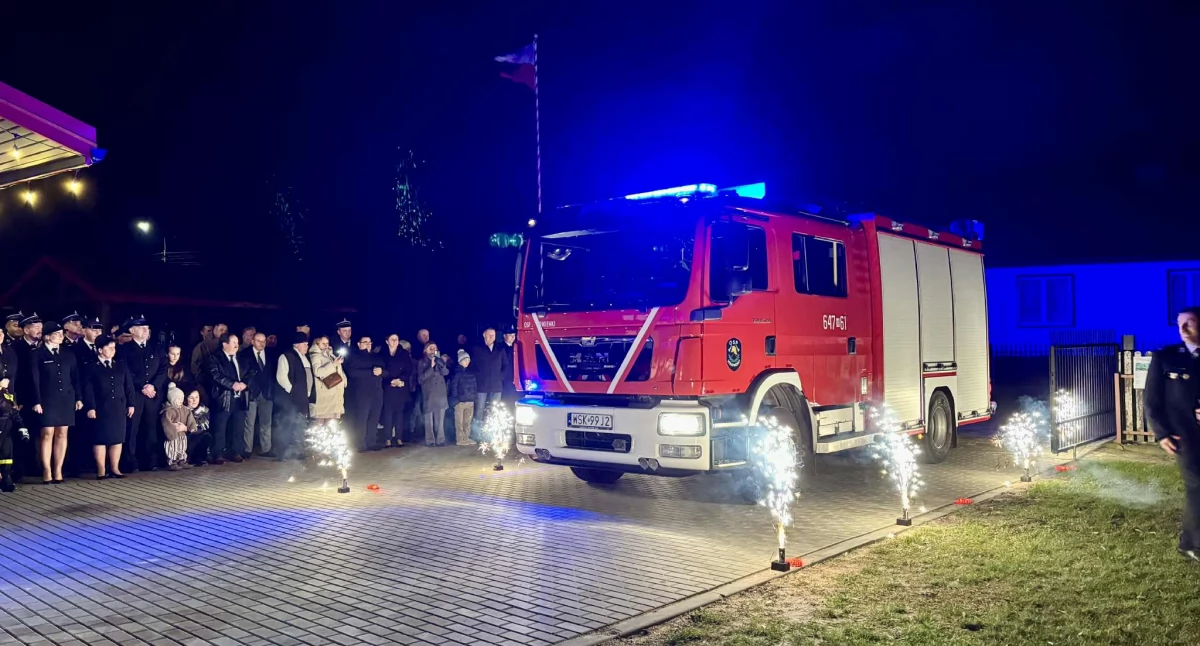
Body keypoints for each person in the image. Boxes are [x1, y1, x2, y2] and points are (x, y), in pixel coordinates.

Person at [1145, 305, 1200, 563]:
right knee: (1197, 485)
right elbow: (1151, 401)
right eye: (1179, 324)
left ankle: (1189, 541)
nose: (1183, 328)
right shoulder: (1166, 357)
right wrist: (1162, 434)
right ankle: (1193, 544)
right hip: (1183, 435)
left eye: (1189, 322)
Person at [28, 322, 83, 484]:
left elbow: (75, 378)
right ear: (47, 336)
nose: (60, 336)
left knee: (62, 433)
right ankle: (46, 469)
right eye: (56, 333)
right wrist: (36, 401)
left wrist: (78, 398)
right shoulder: (37, 354)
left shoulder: (68, 353)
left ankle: (58, 468)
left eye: (61, 333)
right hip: (47, 399)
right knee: (47, 434)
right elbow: (34, 380)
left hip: (65, 398)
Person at [117, 315, 167, 472]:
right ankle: (129, 462)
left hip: (152, 394)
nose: (146, 331)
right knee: (132, 428)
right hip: (135, 394)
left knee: (151, 428)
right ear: (132, 330)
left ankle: (150, 461)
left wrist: (153, 385)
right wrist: (141, 386)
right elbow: (126, 371)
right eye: (142, 328)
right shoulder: (124, 349)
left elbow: (163, 368)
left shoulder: (156, 347)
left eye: (147, 328)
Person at [82, 336, 135, 479]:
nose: (113, 350)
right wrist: (91, 407)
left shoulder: (121, 365)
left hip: (118, 406)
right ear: (100, 350)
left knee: (117, 438)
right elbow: (88, 389)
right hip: (101, 407)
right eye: (109, 348)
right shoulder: (91, 367)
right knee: (100, 438)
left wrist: (131, 404)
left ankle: (115, 468)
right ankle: (101, 470)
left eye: (114, 348)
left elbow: (128, 386)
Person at [205, 332, 254, 464]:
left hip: (240, 397)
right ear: (224, 344)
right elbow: (215, 375)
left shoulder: (241, 358)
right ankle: (218, 453)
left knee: (238, 426)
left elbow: (251, 371)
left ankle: (235, 451)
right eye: (233, 343)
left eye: (237, 343)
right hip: (223, 398)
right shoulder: (215, 358)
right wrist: (232, 385)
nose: (236, 345)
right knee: (220, 427)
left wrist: (245, 384)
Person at [274, 332, 315, 460]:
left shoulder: (304, 357)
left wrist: (307, 393)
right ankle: (283, 452)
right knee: (288, 423)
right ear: (297, 345)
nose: (307, 346)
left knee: (300, 424)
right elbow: (281, 377)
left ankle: (298, 451)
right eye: (305, 344)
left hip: (302, 397)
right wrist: (292, 390)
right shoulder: (286, 356)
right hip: (290, 398)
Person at [345, 335, 386, 451]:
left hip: (377, 392)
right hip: (362, 393)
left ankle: (371, 442)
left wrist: (381, 372)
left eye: (369, 342)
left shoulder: (376, 357)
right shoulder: (355, 357)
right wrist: (371, 372)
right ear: (359, 344)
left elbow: (386, 371)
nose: (368, 344)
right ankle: (360, 443)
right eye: (365, 342)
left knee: (374, 418)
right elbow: (352, 373)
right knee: (362, 418)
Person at [240, 333, 274, 458]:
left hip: (266, 393)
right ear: (252, 341)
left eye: (264, 340)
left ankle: (266, 448)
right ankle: (247, 449)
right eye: (259, 341)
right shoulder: (244, 355)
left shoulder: (270, 354)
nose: (262, 343)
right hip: (251, 392)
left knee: (266, 422)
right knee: (249, 422)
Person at [470, 327, 512, 423]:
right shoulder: (477, 349)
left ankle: (491, 432)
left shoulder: (500, 349)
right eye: (489, 335)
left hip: (496, 386)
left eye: (493, 335)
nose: (491, 337)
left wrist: (500, 377)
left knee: (494, 410)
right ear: (484, 335)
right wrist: (478, 377)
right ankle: (477, 434)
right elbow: (472, 366)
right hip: (481, 386)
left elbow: (506, 365)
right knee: (479, 410)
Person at [379, 335, 414, 448]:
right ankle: (387, 438)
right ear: (387, 341)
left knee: (399, 413)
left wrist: (401, 380)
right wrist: (390, 380)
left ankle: (399, 438)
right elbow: (381, 370)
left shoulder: (403, 354)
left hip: (400, 386)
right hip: (388, 387)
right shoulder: (382, 354)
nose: (394, 341)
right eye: (392, 339)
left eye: (396, 339)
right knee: (388, 414)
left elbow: (409, 369)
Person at [417, 342, 449, 446]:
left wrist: (441, 364)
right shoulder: (421, 362)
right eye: (430, 348)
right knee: (429, 419)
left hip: (440, 393)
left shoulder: (440, 361)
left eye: (434, 348)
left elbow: (446, 373)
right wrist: (430, 367)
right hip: (429, 393)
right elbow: (420, 379)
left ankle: (440, 439)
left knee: (440, 419)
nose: (432, 350)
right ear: (425, 350)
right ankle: (430, 440)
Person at [309, 336, 347, 422]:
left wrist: (344, 381)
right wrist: (333, 364)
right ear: (317, 344)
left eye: (327, 343)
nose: (326, 345)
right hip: (325, 394)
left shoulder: (330, 355)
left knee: (331, 425)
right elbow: (317, 372)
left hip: (335, 394)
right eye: (323, 343)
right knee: (320, 424)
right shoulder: (315, 356)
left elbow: (339, 369)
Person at [160, 385, 195, 471]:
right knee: (172, 448)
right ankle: (172, 462)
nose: (181, 400)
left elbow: (190, 418)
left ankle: (182, 460)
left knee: (182, 447)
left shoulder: (185, 410)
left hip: (182, 434)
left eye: (182, 398)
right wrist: (171, 433)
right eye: (178, 398)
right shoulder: (168, 411)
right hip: (173, 435)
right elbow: (166, 423)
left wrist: (191, 427)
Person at [448, 350, 478, 446]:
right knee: (459, 422)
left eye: (468, 360)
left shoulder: (471, 372)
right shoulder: (456, 372)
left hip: (470, 400)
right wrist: (456, 399)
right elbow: (453, 387)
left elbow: (474, 386)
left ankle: (466, 437)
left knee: (467, 422)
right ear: (460, 361)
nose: (467, 362)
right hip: (460, 402)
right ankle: (460, 439)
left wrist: (474, 397)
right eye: (465, 360)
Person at [0, 394, 29, 492]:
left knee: (6, 454)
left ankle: (6, 479)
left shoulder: (7, 395)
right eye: (5, 379)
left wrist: (22, 428)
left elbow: (13, 412)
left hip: (6, 431)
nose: (8, 381)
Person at [184, 389, 213, 465]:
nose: (194, 400)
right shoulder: (181, 410)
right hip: (183, 437)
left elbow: (204, 426)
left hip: (196, 434)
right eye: (191, 397)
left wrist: (187, 428)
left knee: (205, 436)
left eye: (197, 397)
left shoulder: (204, 410)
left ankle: (198, 459)